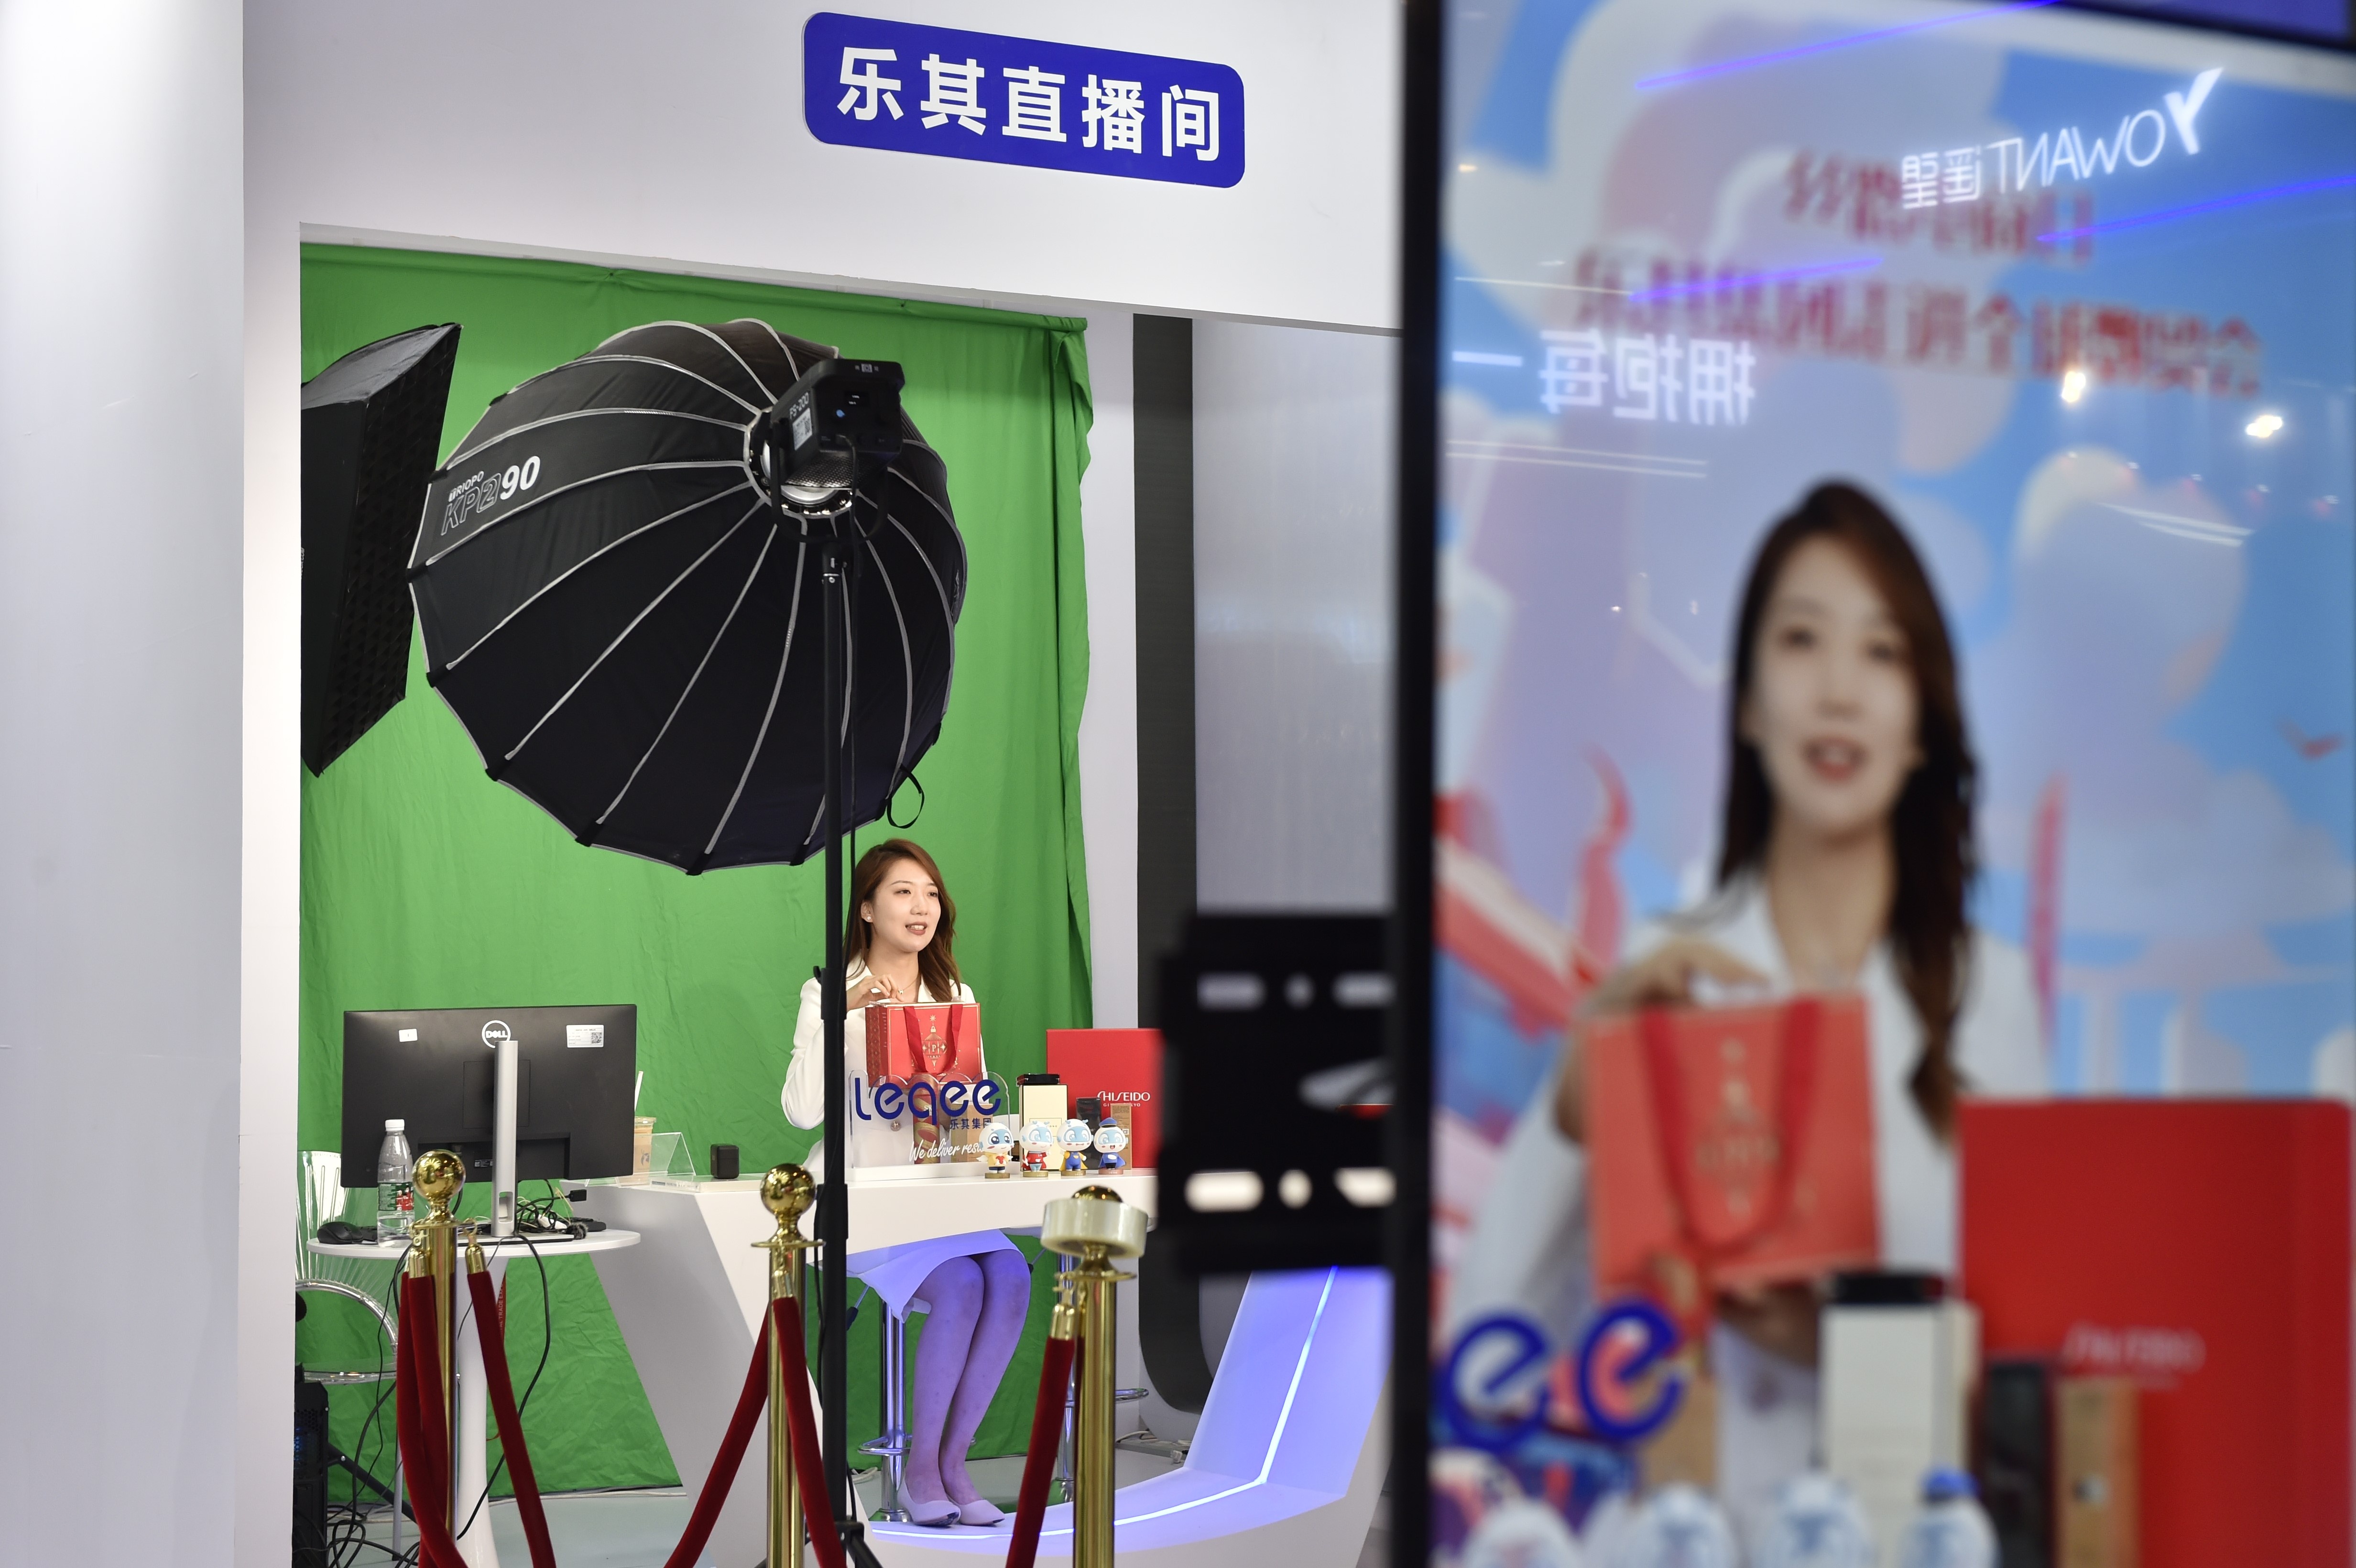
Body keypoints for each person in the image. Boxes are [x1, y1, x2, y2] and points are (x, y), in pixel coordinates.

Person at [1450, 483, 2045, 1527]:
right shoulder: (1660, 971)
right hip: (1688, 1529)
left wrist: (1838, 1341)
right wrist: (1579, 1096)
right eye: (1802, 640)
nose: (1838, 692)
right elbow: (1485, 1352)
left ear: (1921, 719)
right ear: (1747, 703)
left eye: (1882, 652)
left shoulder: (1990, 996)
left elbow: (2021, 1373)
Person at [782, 838, 1026, 1528]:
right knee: (962, 1285)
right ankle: (921, 1472)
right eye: (901, 891)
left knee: (1011, 1277)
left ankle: (955, 1462)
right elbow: (801, 1109)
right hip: (864, 1205)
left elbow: (974, 1107)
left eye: (929, 892)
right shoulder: (828, 991)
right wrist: (844, 1011)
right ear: (866, 907)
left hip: (940, 1196)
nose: (921, 906)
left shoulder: (955, 995)